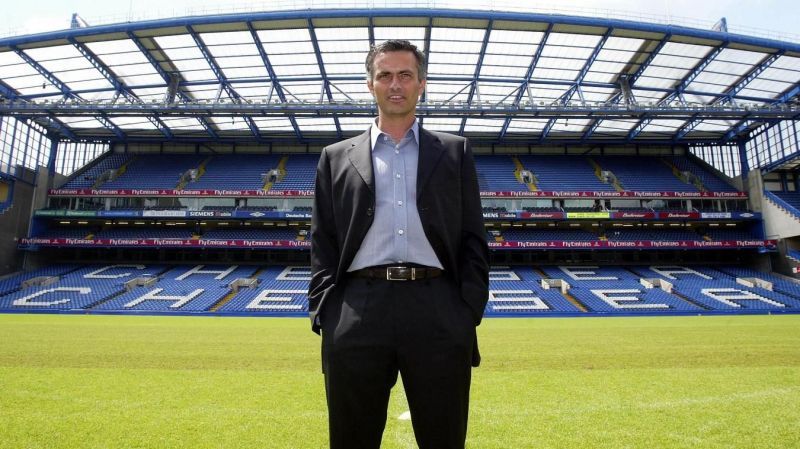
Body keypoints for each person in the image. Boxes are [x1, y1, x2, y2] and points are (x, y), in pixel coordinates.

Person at [308, 39, 490, 449]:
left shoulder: (455, 151)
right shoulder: (335, 157)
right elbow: (323, 241)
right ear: (369, 84)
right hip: (357, 309)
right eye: (385, 75)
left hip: (438, 309)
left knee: (443, 438)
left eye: (405, 75)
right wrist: (327, 311)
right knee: (352, 439)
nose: (395, 84)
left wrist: (466, 311)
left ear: (421, 84)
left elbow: (473, 238)